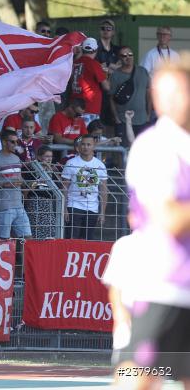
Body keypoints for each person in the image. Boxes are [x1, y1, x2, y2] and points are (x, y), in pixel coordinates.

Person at [120, 53, 190, 385]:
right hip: (166, 287)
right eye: (162, 93)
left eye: (178, 92)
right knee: (140, 379)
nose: (167, 101)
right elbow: (170, 219)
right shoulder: (156, 147)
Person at [0, 130, 32, 240]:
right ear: (4, 142)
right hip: (4, 206)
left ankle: (22, 258)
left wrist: (24, 183)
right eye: (12, 142)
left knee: (27, 238)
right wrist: (4, 184)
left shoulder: (16, 158)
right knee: (3, 240)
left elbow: (18, 178)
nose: (16, 145)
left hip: (18, 205)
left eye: (17, 142)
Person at [61, 135, 108, 240]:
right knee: (71, 240)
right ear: (79, 146)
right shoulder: (71, 163)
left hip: (92, 208)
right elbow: (64, 188)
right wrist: (64, 209)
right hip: (74, 206)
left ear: (94, 146)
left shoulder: (100, 165)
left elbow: (104, 191)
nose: (85, 147)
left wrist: (102, 213)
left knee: (87, 241)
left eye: (88, 144)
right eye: (83, 144)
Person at [108, 46, 151, 144]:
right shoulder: (115, 75)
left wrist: (148, 115)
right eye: (124, 55)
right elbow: (111, 98)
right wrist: (117, 119)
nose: (128, 57)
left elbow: (149, 94)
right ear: (120, 58)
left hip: (142, 119)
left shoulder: (143, 71)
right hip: (123, 119)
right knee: (123, 149)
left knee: (143, 149)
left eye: (130, 54)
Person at [70, 38, 110, 125]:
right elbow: (106, 87)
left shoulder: (75, 63)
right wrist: (107, 74)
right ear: (96, 50)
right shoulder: (94, 64)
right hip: (90, 108)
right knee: (90, 137)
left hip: (74, 108)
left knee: (77, 136)